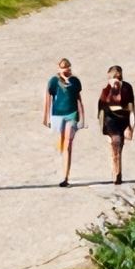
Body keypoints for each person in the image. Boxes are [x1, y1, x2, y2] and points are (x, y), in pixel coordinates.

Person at [44, 58, 84, 187]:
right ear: (58, 68)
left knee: (68, 144)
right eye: (62, 67)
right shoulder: (54, 82)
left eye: (67, 67)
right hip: (57, 115)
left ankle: (65, 176)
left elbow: (79, 99)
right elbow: (48, 98)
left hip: (72, 114)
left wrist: (82, 117)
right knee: (62, 142)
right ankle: (63, 163)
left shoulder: (75, 82)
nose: (65, 69)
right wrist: (46, 117)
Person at [96, 65, 135, 185]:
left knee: (118, 147)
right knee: (116, 142)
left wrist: (131, 128)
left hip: (123, 119)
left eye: (119, 77)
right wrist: (104, 130)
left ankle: (117, 169)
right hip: (110, 120)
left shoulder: (127, 88)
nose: (117, 80)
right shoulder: (106, 90)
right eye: (114, 77)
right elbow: (101, 111)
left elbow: (131, 108)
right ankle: (116, 174)